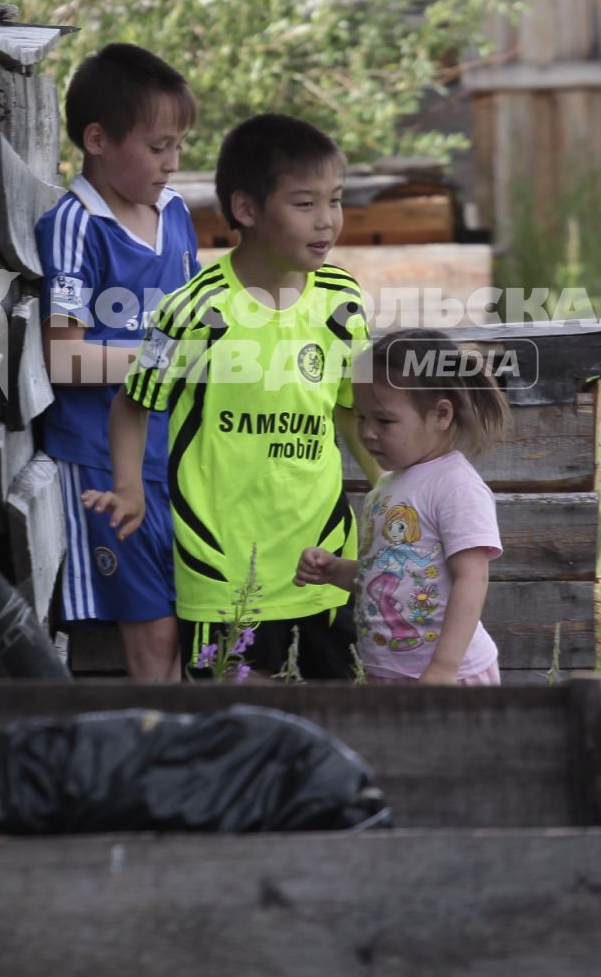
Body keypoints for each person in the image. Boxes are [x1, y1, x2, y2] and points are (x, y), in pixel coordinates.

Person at [83, 113, 377, 679]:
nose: (327, 222)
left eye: (334, 201)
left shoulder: (343, 300)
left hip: (324, 562)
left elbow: (350, 408)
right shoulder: (194, 312)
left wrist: (394, 484)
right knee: (236, 730)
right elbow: (132, 402)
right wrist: (128, 489)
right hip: (222, 572)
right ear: (246, 210)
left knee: (340, 719)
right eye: (304, 204)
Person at [36, 43, 199, 682]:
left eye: (179, 146)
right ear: (98, 139)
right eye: (158, 147)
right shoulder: (76, 226)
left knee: (197, 629)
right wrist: (171, 359)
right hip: (104, 460)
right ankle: (156, 771)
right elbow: (66, 357)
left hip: (178, 457)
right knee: (153, 641)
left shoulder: (178, 215)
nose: (173, 162)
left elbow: (198, 324)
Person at [295, 328, 511, 685]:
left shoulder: (455, 485)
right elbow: (388, 574)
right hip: (390, 674)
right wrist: (336, 571)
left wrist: (443, 668)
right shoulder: (388, 486)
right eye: (362, 417)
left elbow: (472, 578)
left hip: (448, 678)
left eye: (384, 420)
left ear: (441, 415)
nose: (366, 433)